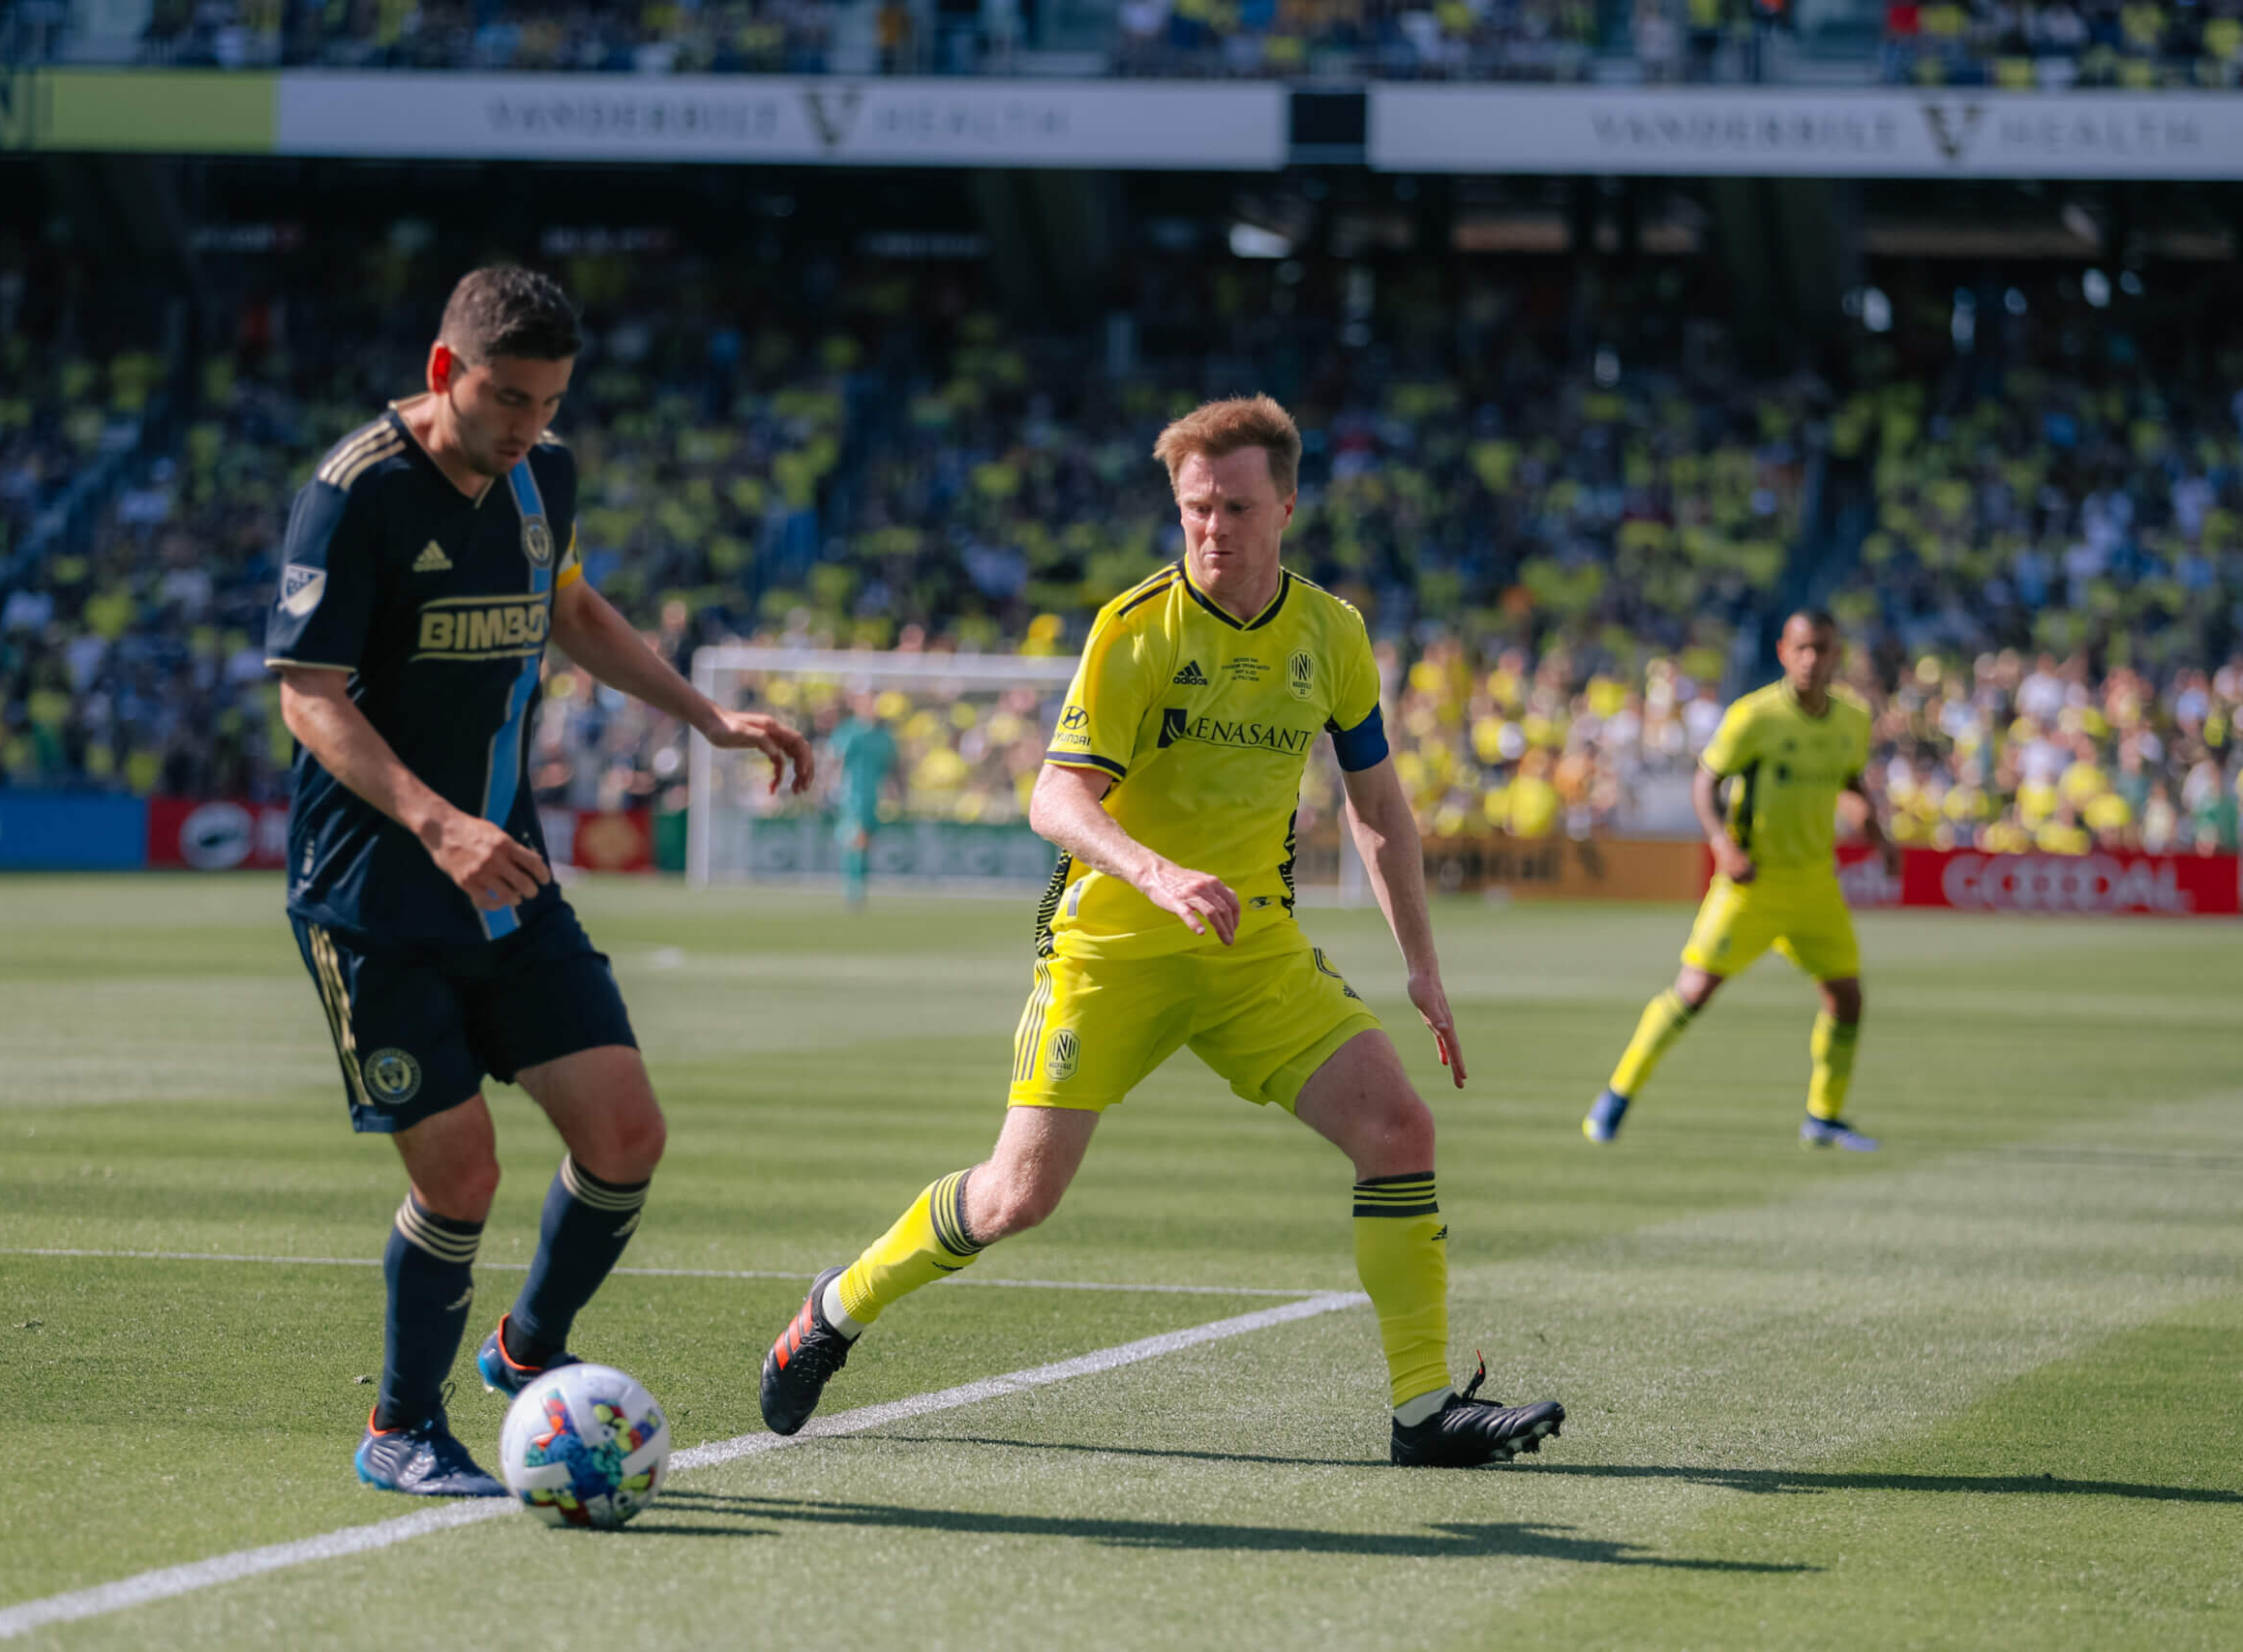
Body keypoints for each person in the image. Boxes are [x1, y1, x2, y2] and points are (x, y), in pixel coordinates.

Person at [757, 396, 1563, 1468]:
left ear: (1286, 504)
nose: (1211, 529)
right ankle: (835, 1308)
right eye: (1193, 509)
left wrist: (1423, 970)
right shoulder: (1134, 630)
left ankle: (1422, 1414)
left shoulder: (1333, 634)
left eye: (1234, 506)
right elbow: (1053, 798)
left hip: (1251, 955)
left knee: (1399, 1132)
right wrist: (1152, 868)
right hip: (1113, 951)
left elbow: (1376, 809)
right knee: (1015, 1198)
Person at [265, 266, 811, 1498]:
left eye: (549, 401)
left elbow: (567, 607)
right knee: (459, 1176)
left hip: (507, 879)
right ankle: (401, 1427)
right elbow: (310, 694)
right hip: (373, 897)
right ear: (444, 368)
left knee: (626, 1135)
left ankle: (527, 1353)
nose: (525, 426)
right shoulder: (353, 496)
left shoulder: (540, 475)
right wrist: (436, 821)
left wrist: (704, 715)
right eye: (506, 398)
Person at [1585, 611, 1895, 1151]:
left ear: (1836, 655)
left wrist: (1877, 833)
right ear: (1782, 651)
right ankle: (1615, 1097)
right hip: (1753, 884)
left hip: (1815, 885)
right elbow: (1706, 783)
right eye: (1801, 648)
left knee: (1847, 999)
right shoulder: (1754, 716)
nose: (1811, 659)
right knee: (1693, 992)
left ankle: (1824, 1116)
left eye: (1821, 649)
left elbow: (1848, 780)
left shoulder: (1852, 720)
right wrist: (1721, 843)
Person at [827, 690, 898, 907]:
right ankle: (854, 887)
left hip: (873, 795)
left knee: (865, 839)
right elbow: (835, 760)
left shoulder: (883, 735)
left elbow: (891, 767)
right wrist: (830, 786)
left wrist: (893, 790)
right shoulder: (848, 731)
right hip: (852, 793)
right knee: (856, 838)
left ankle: (858, 884)